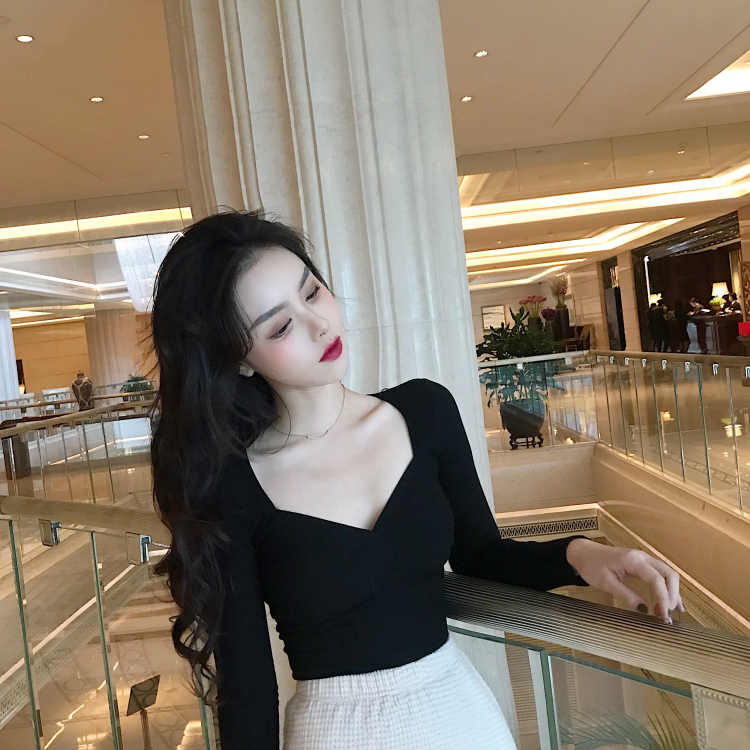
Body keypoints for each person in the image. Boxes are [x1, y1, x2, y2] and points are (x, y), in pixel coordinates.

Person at [149, 210, 684, 750]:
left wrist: (580, 554)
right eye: (280, 326)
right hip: (335, 734)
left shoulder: (425, 412)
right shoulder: (232, 487)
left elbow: (481, 555)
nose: (318, 325)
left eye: (312, 293)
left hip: (463, 718)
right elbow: (248, 690)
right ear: (239, 360)